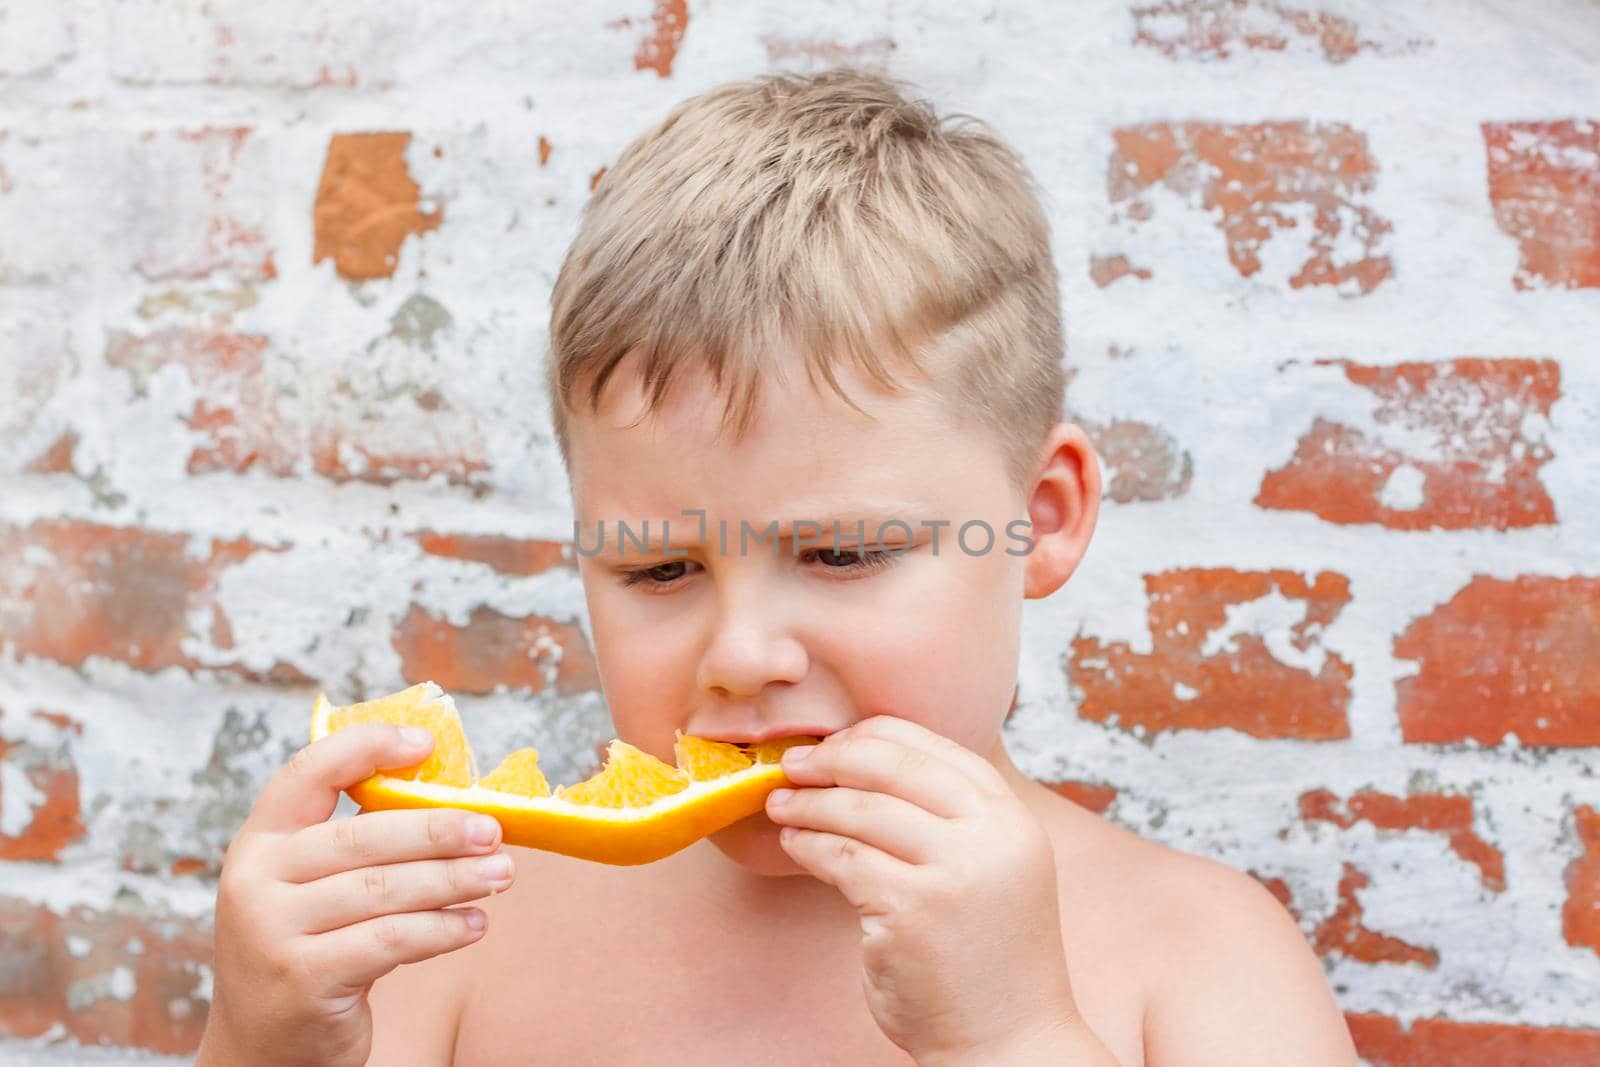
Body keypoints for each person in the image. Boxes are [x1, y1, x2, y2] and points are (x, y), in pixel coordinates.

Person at [196, 68, 1359, 1066]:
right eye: (657, 569)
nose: (742, 653)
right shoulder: (456, 934)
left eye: (844, 550)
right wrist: (260, 1039)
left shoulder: (1193, 951)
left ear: (1040, 518)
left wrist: (1011, 1033)